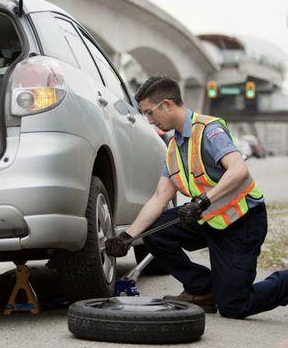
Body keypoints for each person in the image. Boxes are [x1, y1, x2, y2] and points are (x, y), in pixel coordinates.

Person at [105, 75, 288, 319]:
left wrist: (202, 201)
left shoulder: (209, 131)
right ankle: (202, 289)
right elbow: (159, 197)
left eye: (150, 112)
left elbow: (238, 169)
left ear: (168, 104)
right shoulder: (174, 146)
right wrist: (127, 237)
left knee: (234, 305)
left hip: (242, 224)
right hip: (209, 220)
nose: (149, 120)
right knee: (155, 230)